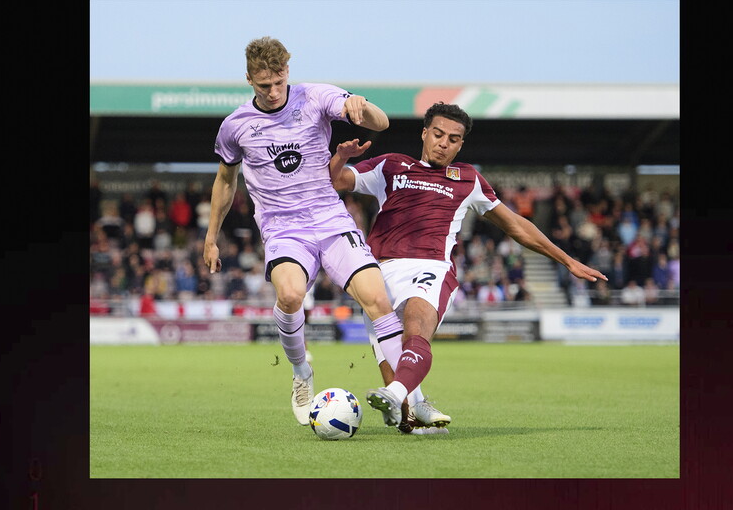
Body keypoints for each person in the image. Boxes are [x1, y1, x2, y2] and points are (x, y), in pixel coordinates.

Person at [329, 102, 608, 432]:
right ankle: (414, 404)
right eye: (438, 134)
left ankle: (396, 394)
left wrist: (568, 260)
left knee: (416, 325)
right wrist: (340, 157)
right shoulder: (391, 166)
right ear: (424, 133)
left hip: (430, 268)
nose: (443, 143)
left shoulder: (467, 178)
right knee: (405, 418)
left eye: (453, 139)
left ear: (461, 144)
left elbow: (516, 226)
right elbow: (335, 181)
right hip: (378, 275)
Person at [202, 36, 404, 427]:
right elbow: (225, 181)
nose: (273, 91)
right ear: (249, 79)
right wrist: (211, 237)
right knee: (291, 295)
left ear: (287, 72)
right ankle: (300, 371)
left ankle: (404, 395)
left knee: (379, 300)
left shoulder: (315, 96)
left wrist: (360, 105)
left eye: (279, 82)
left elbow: (381, 123)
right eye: (264, 85)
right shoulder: (235, 126)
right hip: (283, 227)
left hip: (330, 218)